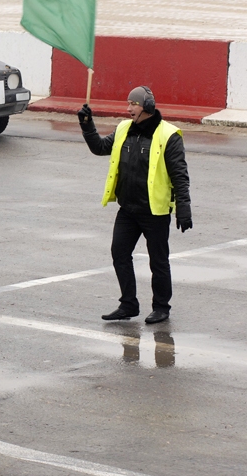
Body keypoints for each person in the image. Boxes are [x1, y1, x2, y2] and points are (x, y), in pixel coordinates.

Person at [77, 86, 192, 324]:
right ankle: (128, 304)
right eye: (128, 103)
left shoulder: (168, 135)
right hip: (128, 209)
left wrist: (183, 207)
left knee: (158, 261)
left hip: (155, 211)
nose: (128, 109)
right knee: (119, 253)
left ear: (147, 107)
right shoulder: (123, 129)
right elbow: (99, 148)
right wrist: (87, 126)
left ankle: (161, 307)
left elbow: (179, 175)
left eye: (134, 104)